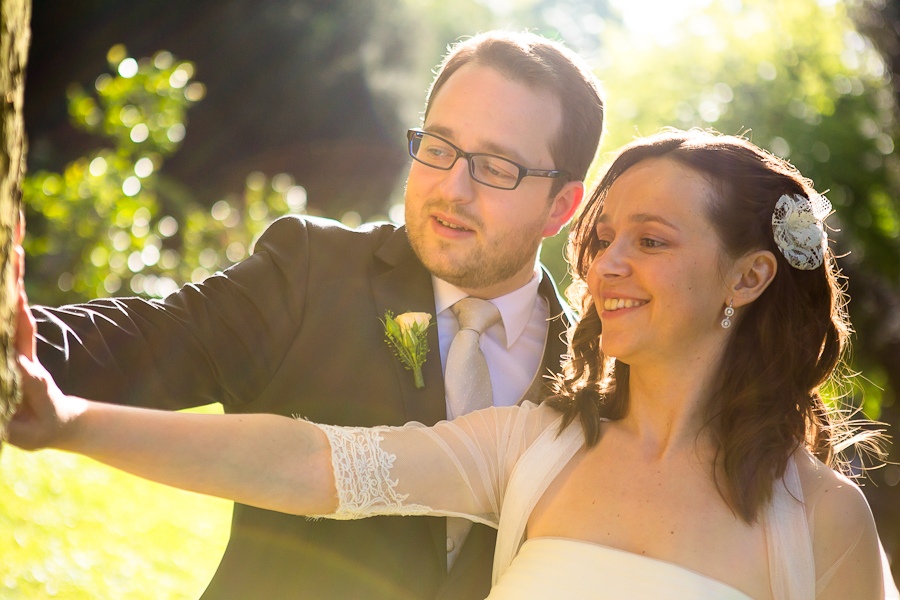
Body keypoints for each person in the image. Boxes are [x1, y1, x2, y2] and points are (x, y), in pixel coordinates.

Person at [12, 128, 893, 598]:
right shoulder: (531, 447)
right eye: (603, 237)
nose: (605, 266)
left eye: (652, 241)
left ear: (749, 275)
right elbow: (308, 462)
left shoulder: (820, 521)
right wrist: (70, 421)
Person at [26, 30, 604, 600]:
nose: (452, 188)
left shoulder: (598, 376)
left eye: (497, 167)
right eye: (438, 148)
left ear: (561, 205)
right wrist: (14, 343)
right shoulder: (311, 271)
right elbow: (145, 340)